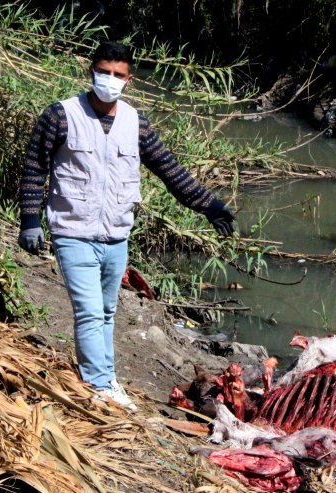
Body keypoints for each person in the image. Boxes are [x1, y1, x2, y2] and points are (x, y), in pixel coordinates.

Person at [17, 40, 236, 412]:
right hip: (72, 231)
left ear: (129, 80)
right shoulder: (60, 115)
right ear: (91, 72)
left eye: (118, 75)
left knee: (105, 311)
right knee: (88, 311)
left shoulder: (136, 123)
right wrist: (30, 221)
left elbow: (170, 170)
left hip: (116, 235)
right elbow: (35, 166)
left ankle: (105, 376)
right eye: (104, 72)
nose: (110, 79)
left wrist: (208, 205)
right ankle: (99, 386)